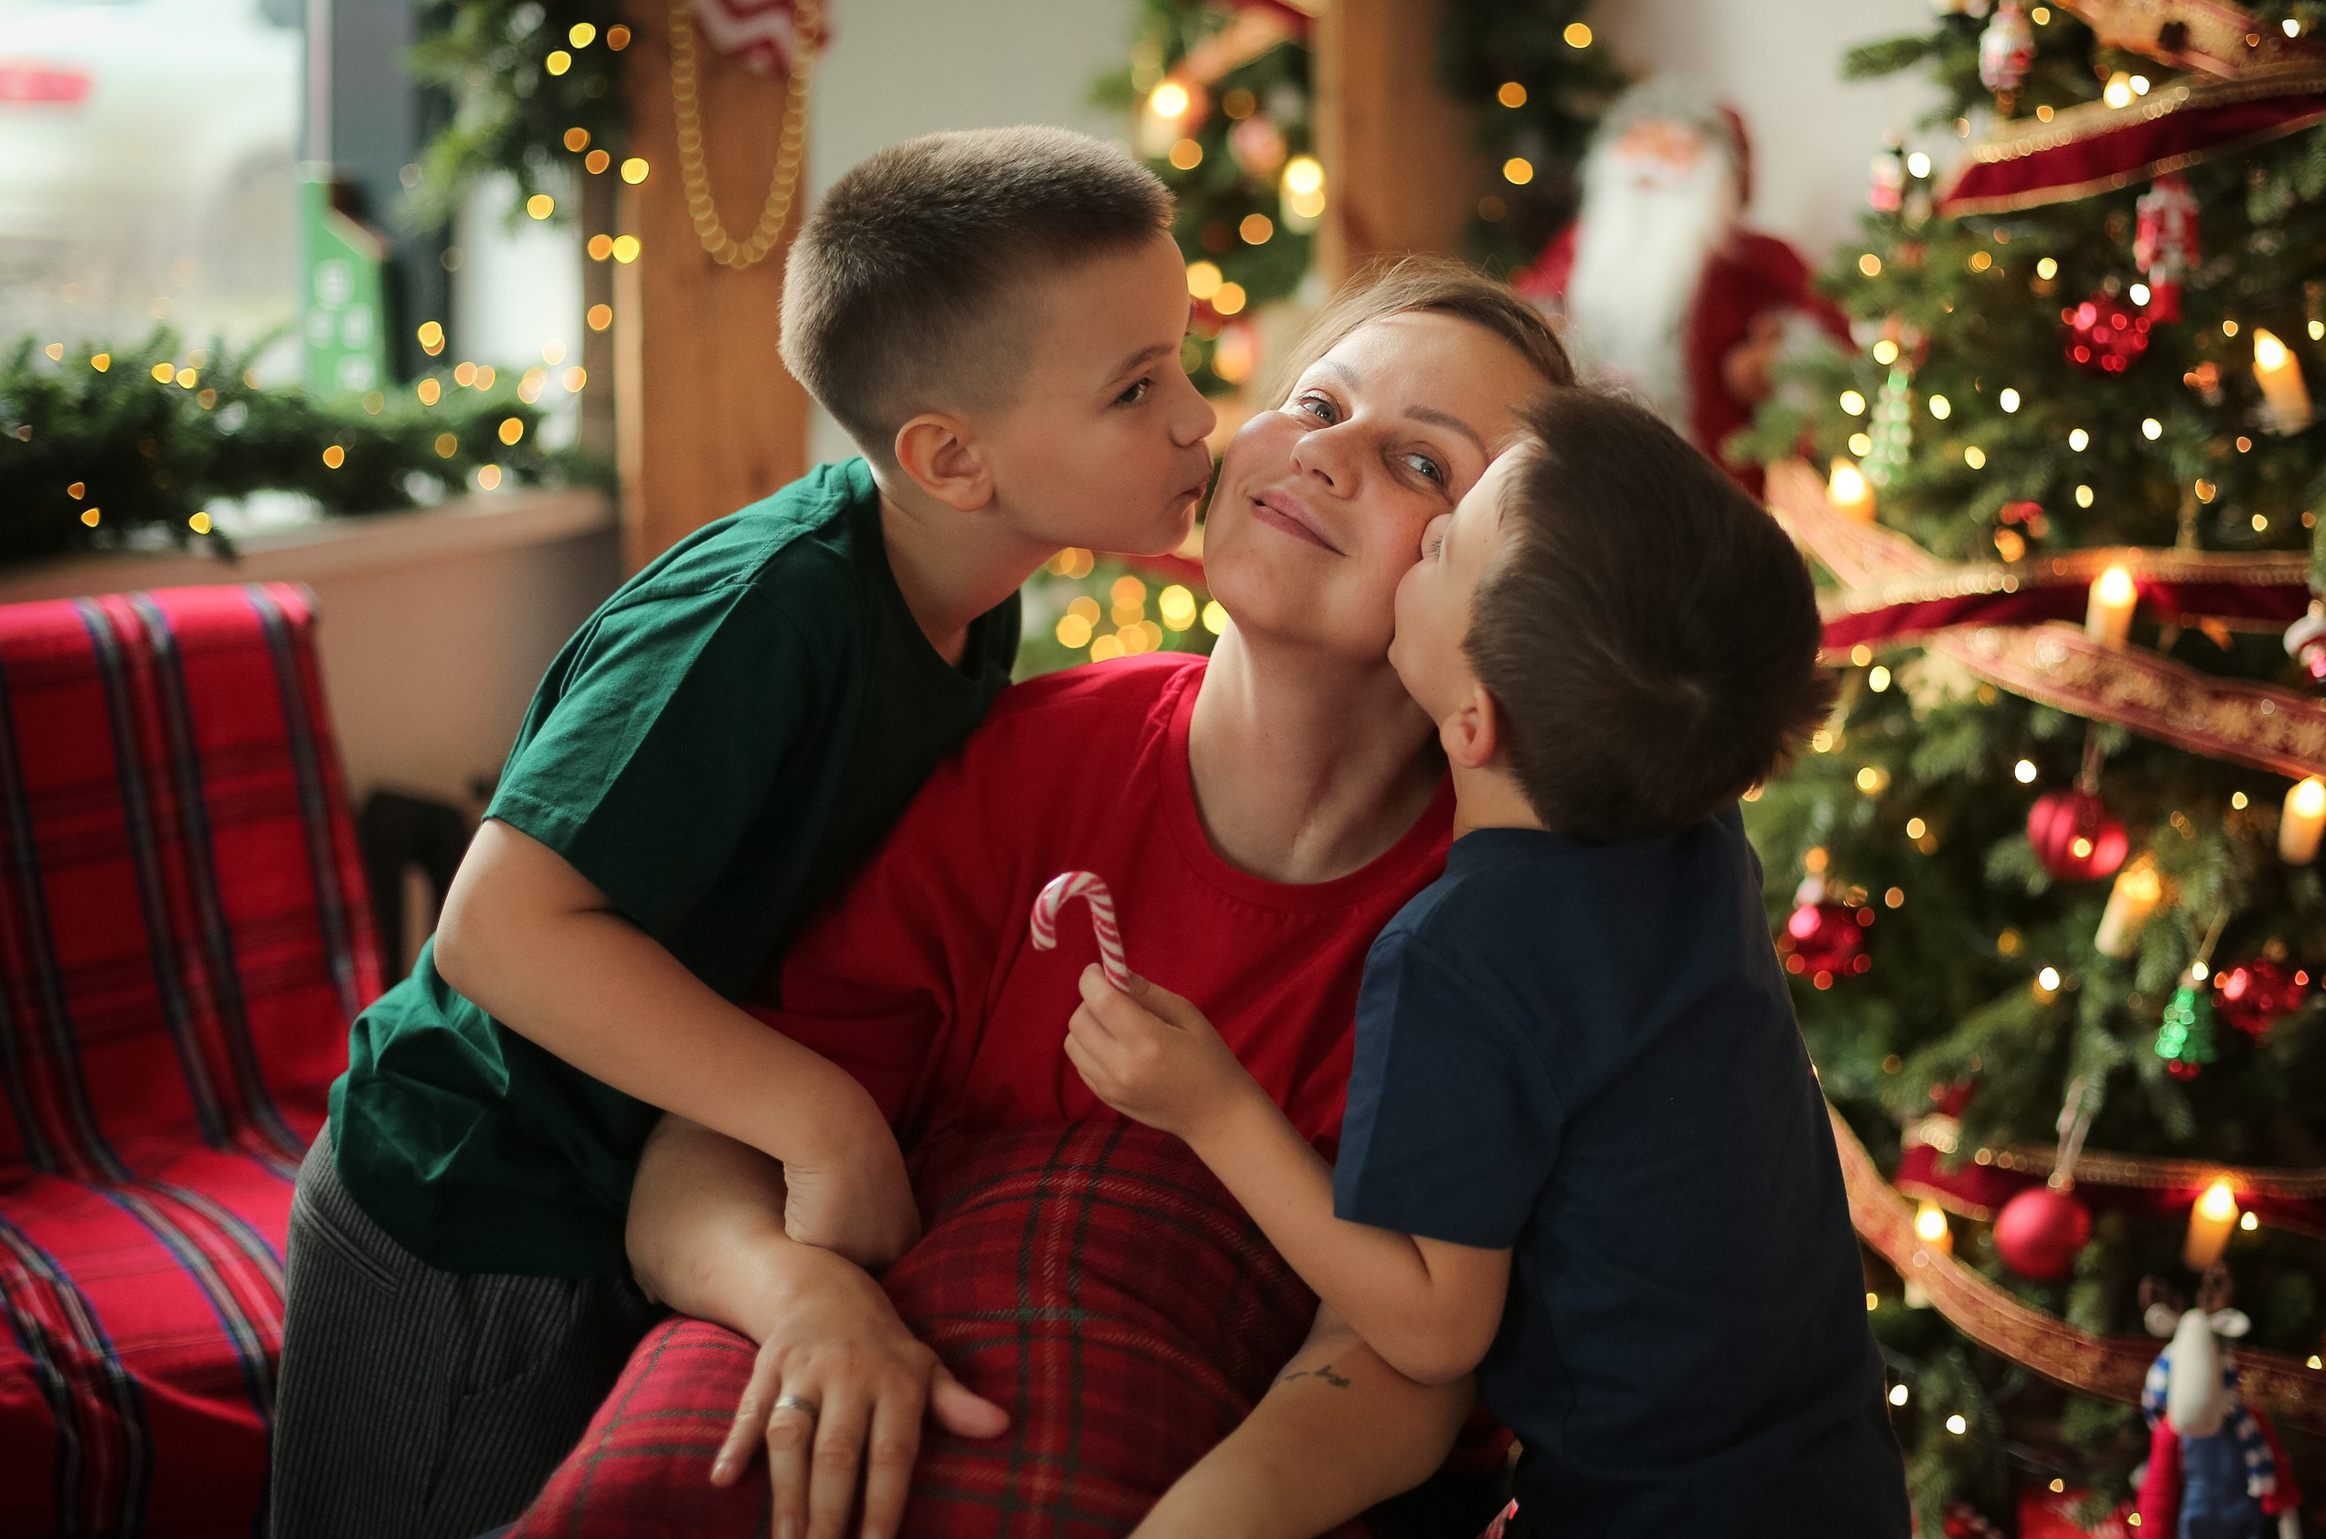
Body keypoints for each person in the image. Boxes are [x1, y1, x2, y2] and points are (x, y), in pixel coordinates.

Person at [268, 126, 1219, 1538]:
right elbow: (497, 926)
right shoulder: (762, 615)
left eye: (1182, 361)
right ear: (951, 457)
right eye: (1138, 388)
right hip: (472, 1212)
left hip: (625, 1197)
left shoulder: (967, 604)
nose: (1199, 417)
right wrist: (819, 1113)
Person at [618, 260, 1576, 1539]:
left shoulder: (1484, 920)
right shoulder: (1027, 764)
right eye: (1318, 401)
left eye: (1423, 468)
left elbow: (1402, 1357)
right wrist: (796, 1296)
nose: (1329, 456)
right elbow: (706, 1149)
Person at [1069, 388, 1910, 1537]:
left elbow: (1431, 1325)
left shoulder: (1461, 956)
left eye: (1443, 545)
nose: (1422, 532)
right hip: (1840, 1483)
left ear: (1472, 724)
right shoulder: (1687, 824)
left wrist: (1210, 1105)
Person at [1516, 80, 1849, 488]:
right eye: (1637, 142)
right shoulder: (1579, 245)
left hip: (1716, 480)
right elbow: (1527, 310)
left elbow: (1828, 353)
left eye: (1675, 149)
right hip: (1589, 472)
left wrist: (1776, 365)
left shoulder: (1760, 261)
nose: (1649, 163)